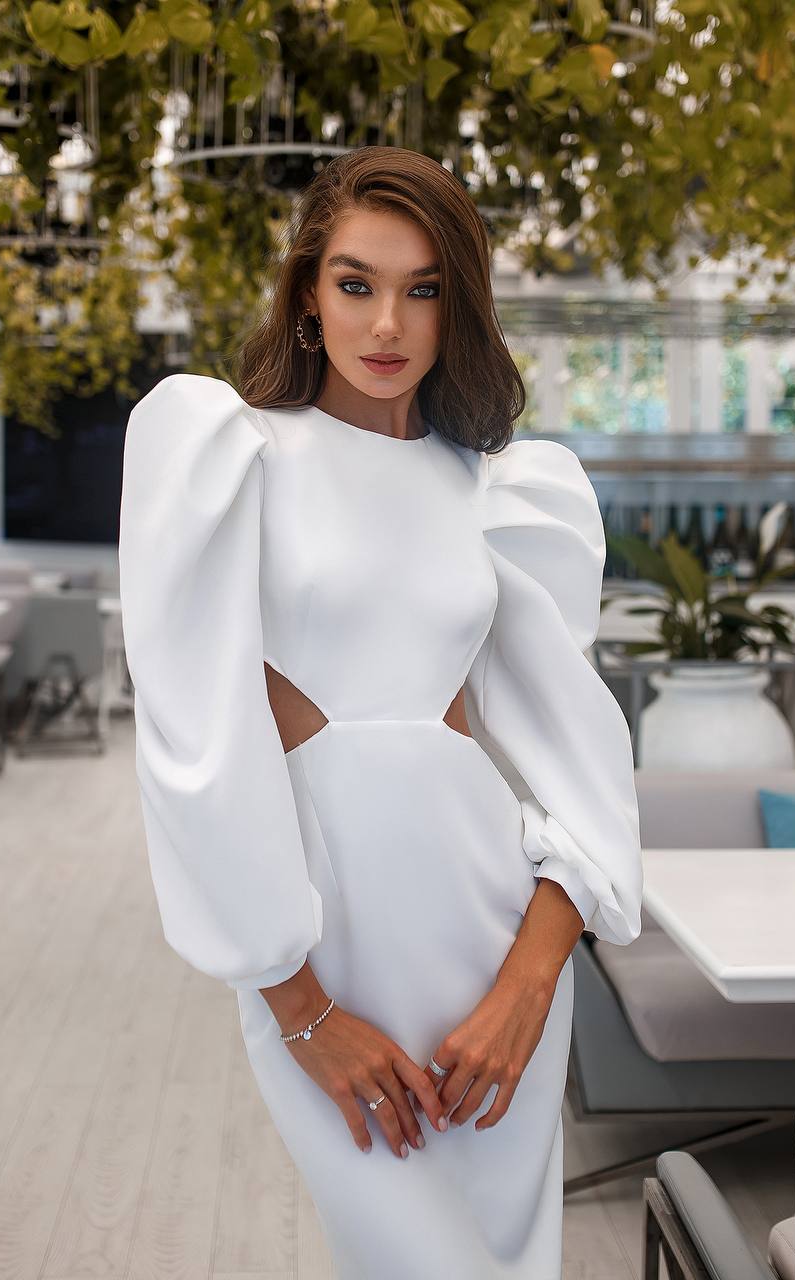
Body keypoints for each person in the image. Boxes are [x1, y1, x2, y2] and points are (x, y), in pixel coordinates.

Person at [117, 145, 643, 1278]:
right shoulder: (228, 456)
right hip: (324, 953)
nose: (387, 321)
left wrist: (527, 984)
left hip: (491, 953)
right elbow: (195, 750)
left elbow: (583, 775)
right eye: (355, 282)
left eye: (423, 287)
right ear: (308, 292)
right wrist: (304, 1009)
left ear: (459, 303)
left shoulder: (502, 488)